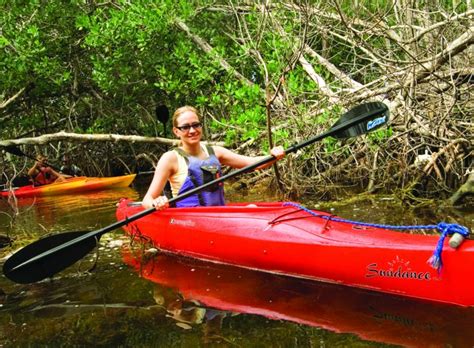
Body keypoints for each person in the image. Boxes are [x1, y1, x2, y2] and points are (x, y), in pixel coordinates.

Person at [142, 106, 285, 210]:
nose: (192, 131)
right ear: (176, 131)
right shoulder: (170, 158)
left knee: (253, 207)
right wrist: (156, 203)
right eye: (185, 127)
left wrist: (272, 156)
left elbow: (252, 164)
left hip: (218, 215)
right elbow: (147, 200)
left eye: (196, 125)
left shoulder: (216, 152)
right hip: (189, 221)